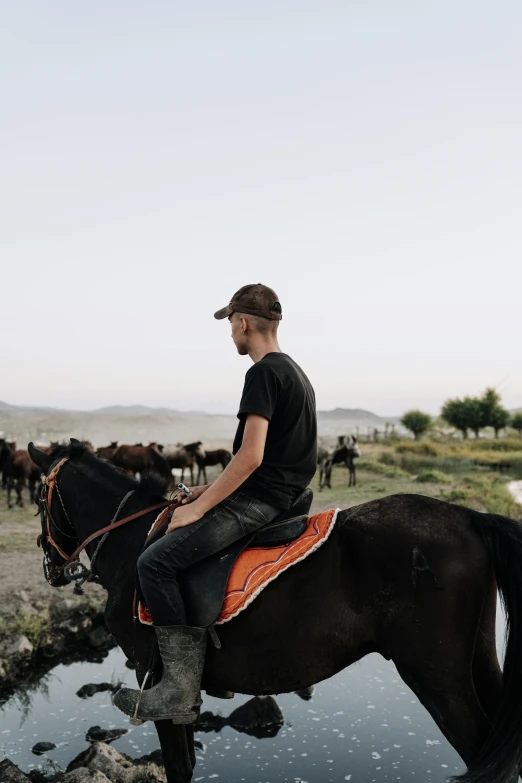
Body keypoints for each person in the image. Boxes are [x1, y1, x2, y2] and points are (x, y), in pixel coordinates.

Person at [114, 283, 317, 723]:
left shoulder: (261, 374)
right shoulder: (296, 373)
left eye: (230, 324)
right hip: (282, 496)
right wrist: (204, 490)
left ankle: (179, 691)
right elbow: (277, 460)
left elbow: (252, 456)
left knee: (155, 564)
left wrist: (196, 510)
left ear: (243, 323)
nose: (229, 333)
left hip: (261, 504)